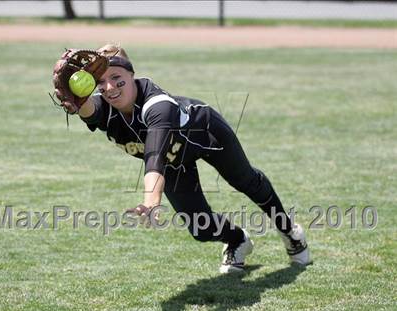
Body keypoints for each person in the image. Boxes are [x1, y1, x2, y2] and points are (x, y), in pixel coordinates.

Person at [73, 44, 311, 273]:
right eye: (100, 82)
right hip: (174, 158)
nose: (109, 87)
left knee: (245, 180)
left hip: (206, 132)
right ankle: (238, 240)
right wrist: (75, 100)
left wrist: (151, 200)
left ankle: (290, 231)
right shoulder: (104, 106)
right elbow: (88, 110)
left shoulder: (158, 106)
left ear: (132, 74)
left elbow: (155, 156)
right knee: (200, 228)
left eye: (116, 77)